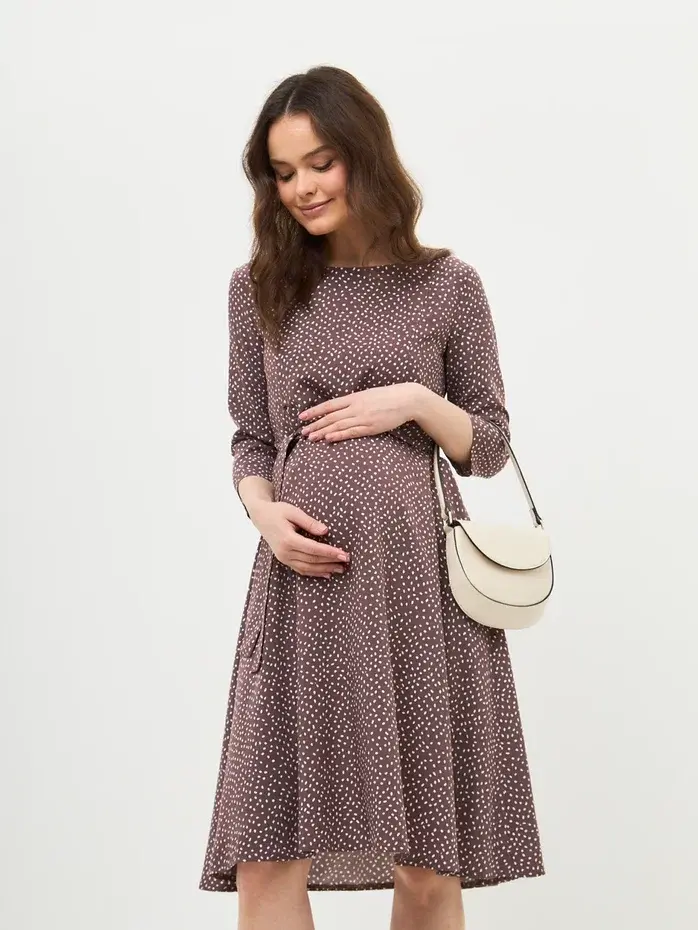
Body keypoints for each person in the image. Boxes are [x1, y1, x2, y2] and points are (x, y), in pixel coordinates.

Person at [198, 65, 545, 930]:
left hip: (418, 591)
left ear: (364, 153)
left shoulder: (448, 284)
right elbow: (252, 435)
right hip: (302, 587)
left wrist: (416, 402)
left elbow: (490, 443)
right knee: (266, 853)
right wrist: (263, 512)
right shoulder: (257, 287)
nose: (304, 188)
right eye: (284, 173)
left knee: (427, 865)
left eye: (321, 163)